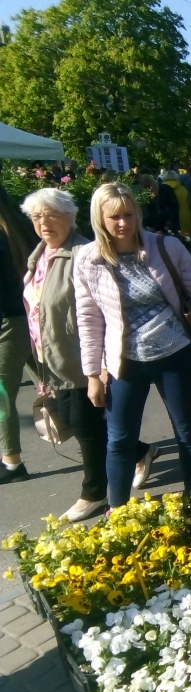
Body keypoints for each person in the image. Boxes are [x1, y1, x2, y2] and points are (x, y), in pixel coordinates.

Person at [74, 183, 191, 507]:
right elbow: (88, 321)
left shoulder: (166, 247)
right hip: (125, 361)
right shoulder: (88, 260)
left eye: (128, 214)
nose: (122, 223)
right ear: (99, 219)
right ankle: (117, 514)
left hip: (174, 354)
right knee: (118, 440)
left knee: (186, 432)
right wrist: (92, 374)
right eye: (114, 217)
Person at [21, 189, 157, 518]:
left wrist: (101, 364)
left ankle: (94, 492)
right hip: (50, 357)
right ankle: (141, 450)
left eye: (51, 214)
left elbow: (103, 310)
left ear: (70, 217)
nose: (44, 222)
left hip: (81, 356)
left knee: (84, 425)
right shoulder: (39, 255)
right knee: (79, 420)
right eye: (37, 217)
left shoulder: (83, 254)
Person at [0, 188, 35, 485]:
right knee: (61, 389)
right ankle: (127, 446)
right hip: (30, 316)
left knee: (2, 395)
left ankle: (12, 463)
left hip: (9, 322)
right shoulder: (19, 225)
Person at [161, 170, 191, 238]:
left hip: (168, 218)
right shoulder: (183, 189)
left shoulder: (161, 189)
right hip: (184, 217)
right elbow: (189, 202)